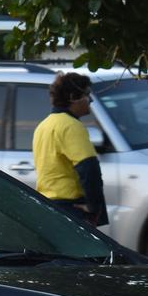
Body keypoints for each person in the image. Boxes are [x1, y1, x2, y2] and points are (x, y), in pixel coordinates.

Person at [32, 71, 109, 227]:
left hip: (49, 206)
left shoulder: (43, 126)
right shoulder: (71, 126)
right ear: (73, 97)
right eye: (87, 95)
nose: (91, 100)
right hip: (71, 208)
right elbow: (89, 169)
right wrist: (94, 209)